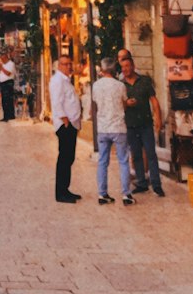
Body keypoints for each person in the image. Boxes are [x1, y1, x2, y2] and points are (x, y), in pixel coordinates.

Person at [118, 49, 165, 197]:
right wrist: (127, 104)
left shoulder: (144, 81)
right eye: (123, 67)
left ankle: (156, 184)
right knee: (136, 155)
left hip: (145, 124)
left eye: (127, 66)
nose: (125, 70)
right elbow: (119, 105)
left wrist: (158, 118)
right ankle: (142, 183)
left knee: (151, 154)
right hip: (130, 125)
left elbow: (154, 100)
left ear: (133, 66)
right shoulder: (120, 85)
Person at [91, 58, 134, 206]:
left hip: (103, 128)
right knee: (123, 161)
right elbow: (124, 104)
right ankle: (126, 194)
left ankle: (102, 194)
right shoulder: (120, 85)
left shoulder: (96, 86)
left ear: (102, 70)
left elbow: (96, 103)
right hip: (118, 127)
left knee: (102, 161)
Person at [48, 56, 82, 203]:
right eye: (65, 64)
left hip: (72, 124)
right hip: (65, 125)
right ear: (59, 66)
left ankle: (65, 189)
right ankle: (60, 193)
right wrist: (64, 120)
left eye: (70, 63)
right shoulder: (57, 81)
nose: (69, 66)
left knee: (69, 158)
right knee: (64, 158)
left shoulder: (66, 80)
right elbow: (56, 102)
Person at [0, 49, 17, 122]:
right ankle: (9, 115)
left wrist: (1, 68)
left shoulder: (11, 64)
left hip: (8, 83)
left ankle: (7, 116)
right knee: (6, 100)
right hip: (3, 83)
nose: (1, 58)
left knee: (6, 100)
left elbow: (8, 73)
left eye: (2, 57)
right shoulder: (3, 64)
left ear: (5, 56)